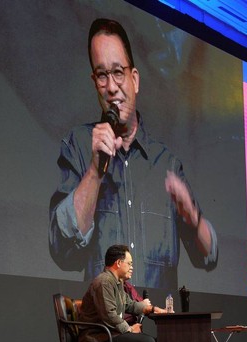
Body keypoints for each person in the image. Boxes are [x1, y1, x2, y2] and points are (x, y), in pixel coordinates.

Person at [49, 18, 218, 291]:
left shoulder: (167, 162)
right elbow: (61, 248)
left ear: (134, 79)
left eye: (118, 72)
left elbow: (208, 256)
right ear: (95, 82)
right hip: (106, 328)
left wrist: (193, 217)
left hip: (159, 325)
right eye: (102, 75)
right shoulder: (78, 145)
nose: (112, 87)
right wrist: (94, 172)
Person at [78, 244, 167, 342]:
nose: (131, 267)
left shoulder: (117, 283)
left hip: (109, 333)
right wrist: (129, 329)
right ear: (118, 263)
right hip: (97, 336)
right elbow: (109, 315)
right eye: (130, 263)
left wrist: (152, 309)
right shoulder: (104, 282)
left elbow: (130, 305)